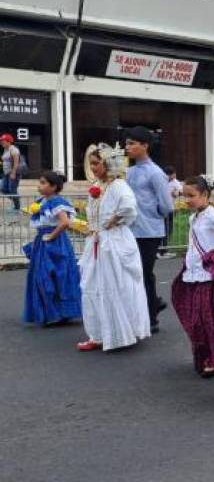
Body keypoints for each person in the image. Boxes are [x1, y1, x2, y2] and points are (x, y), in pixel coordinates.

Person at [77, 144, 151, 352]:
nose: (93, 168)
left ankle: (121, 332)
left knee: (116, 284)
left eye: (96, 163)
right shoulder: (99, 185)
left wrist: (113, 220)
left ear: (107, 164)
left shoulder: (118, 185)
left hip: (114, 241)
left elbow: (129, 207)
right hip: (97, 241)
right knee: (92, 284)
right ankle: (98, 334)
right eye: (91, 164)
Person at [170, 176, 214, 377]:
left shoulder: (213, 215)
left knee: (206, 320)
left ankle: (213, 358)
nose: (187, 200)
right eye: (184, 195)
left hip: (207, 276)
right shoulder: (194, 217)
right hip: (193, 272)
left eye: (191, 196)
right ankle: (206, 356)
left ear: (205, 195)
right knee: (196, 318)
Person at [124, 126, 174, 334]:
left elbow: (167, 205)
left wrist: (151, 214)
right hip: (130, 229)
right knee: (133, 272)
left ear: (145, 146)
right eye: (127, 143)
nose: (127, 147)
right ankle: (152, 303)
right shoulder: (129, 172)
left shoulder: (155, 173)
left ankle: (151, 316)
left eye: (132, 143)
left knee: (144, 272)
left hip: (149, 231)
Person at [22, 171, 82, 326]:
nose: (39, 186)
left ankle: (59, 312)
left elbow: (65, 222)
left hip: (55, 243)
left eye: (43, 183)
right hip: (42, 242)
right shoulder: (42, 201)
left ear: (54, 186)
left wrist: (51, 236)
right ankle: (49, 312)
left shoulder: (57, 202)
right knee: (41, 277)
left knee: (55, 276)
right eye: (39, 182)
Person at [159, 165, 182, 259]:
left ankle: (164, 250)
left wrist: (177, 193)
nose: (174, 177)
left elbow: (181, 190)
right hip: (160, 209)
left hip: (170, 209)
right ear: (166, 175)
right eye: (172, 175)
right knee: (161, 230)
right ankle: (160, 251)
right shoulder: (160, 181)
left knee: (168, 230)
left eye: (174, 174)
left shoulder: (175, 182)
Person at [2, 132, 25, 211]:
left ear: (9, 141)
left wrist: (13, 173)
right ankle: (16, 200)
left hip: (13, 173)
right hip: (6, 173)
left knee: (12, 190)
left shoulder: (14, 150)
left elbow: (16, 162)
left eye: (3, 141)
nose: (1, 142)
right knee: (3, 189)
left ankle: (17, 207)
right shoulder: (5, 149)